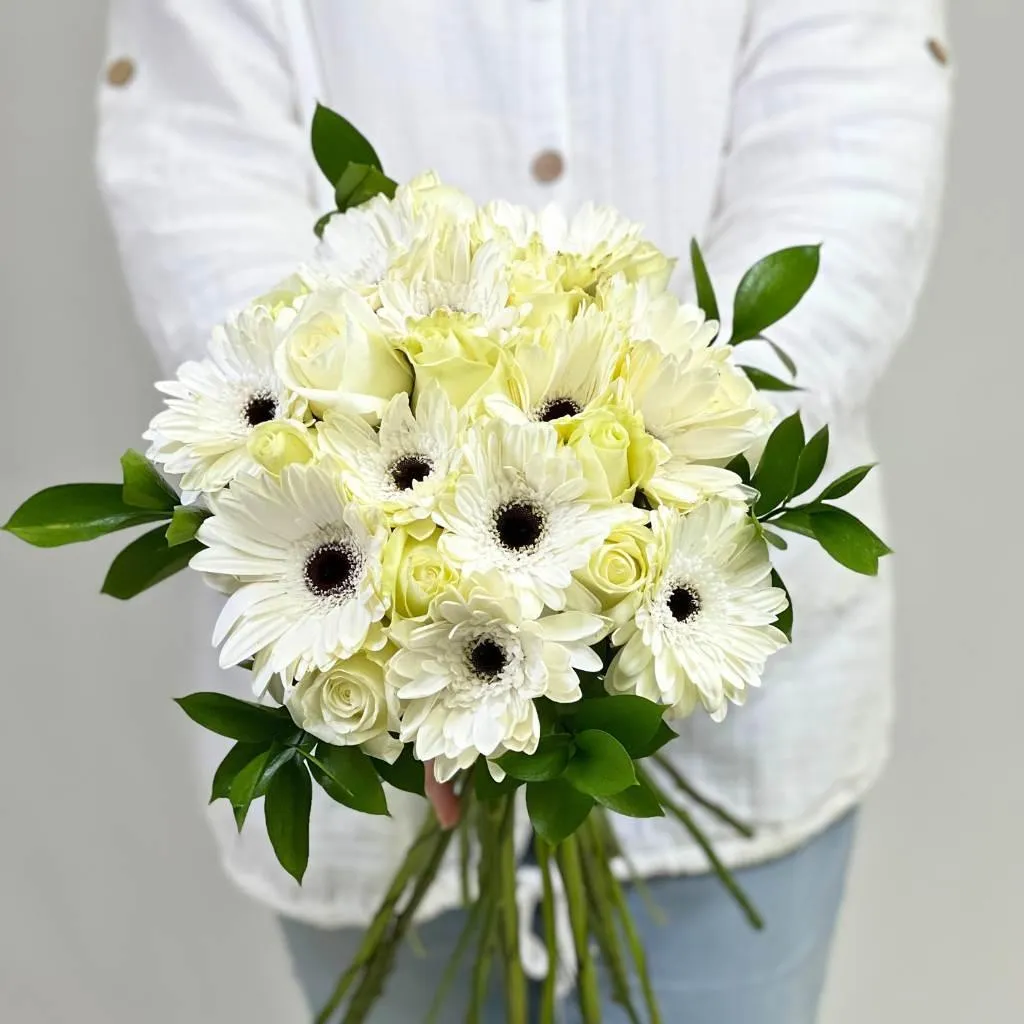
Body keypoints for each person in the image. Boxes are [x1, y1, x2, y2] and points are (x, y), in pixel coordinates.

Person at [95, 2, 952, 1020]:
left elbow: (851, 133)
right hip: (354, 668)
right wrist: (387, 577)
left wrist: (670, 484)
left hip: (725, 672)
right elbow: (197, 167)